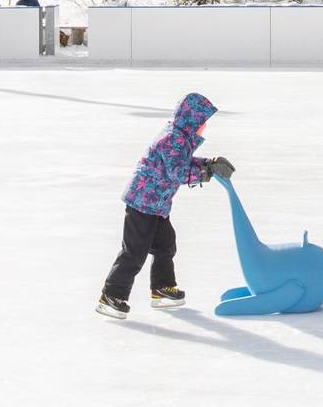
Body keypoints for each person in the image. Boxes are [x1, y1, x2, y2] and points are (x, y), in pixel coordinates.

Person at [98, 92, 235, 319]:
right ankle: (111, 295)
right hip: (142, 204)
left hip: (156, 205)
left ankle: (162, 288)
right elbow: (178, 172)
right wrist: (206, 172)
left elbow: (183, 162)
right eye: (202, 122)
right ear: (192, 120)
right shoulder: (173, 139)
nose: (204, 127)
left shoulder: (180, 138)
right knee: (134, 253)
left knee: (165, 246)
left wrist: (209, 163)